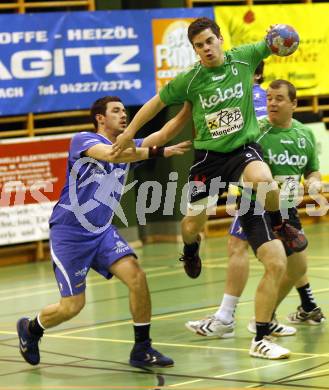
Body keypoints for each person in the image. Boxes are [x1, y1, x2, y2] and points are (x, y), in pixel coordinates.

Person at [111, 17, 305, 358]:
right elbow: (157, 105)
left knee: (263, 180)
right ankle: (190, 249)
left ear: (219, 40)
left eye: (209, 41)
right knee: (192, 223)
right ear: (195, 50)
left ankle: (281, 224)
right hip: (209, 158)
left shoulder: (244, 58)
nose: (206, 49)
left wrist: (279, 40)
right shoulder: (192, 79)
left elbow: (271, 44)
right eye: (199, 45)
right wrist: (129, 134)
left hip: (241, 150)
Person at [16, 96, 191, 368]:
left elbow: (164, 133)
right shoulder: (84, 140)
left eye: (124, 111)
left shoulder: (128, 146)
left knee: (137, 276)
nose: (123, 116)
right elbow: (113, 154)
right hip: (70, 233)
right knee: (72, 307)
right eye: (116, 111)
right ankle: (31, 329)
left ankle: (142, 348)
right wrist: (158, 152)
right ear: (100, 117)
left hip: (101, 231)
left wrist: (189, 106)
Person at [186, 80, 325, 351]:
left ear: (294, 104)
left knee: (298, 267)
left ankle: (265, 317)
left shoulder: (304, 135)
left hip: (288, 210)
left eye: (279, 99)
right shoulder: (255, 132)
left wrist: (315, 181)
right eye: (270, 98)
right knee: (264, 258)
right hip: (254, 205)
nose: (272, 103)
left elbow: (312, 170)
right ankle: (248, 329)